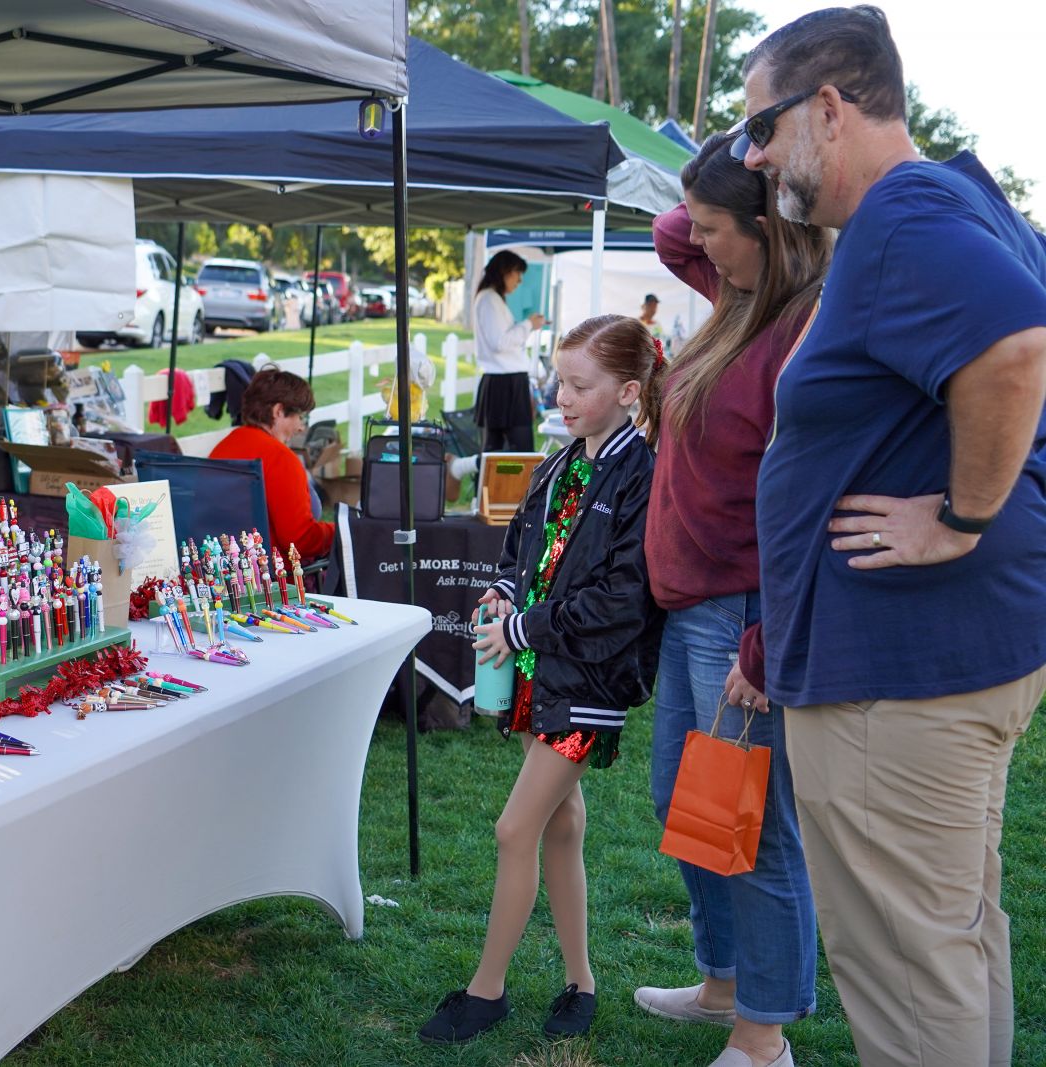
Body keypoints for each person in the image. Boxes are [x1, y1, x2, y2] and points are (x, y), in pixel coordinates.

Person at [737, 8, 1046, 1065]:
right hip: (936, 661)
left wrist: (960, 515)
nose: (753, 155)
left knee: (913, 973)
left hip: (897, 674)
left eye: (761, 127)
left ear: (828, 107)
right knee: (950, 941)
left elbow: (1014, 350)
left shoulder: (906, 211)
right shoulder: (955, 198)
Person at [636, 132, 832, 1067]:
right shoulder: (740, 294)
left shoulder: (799, 323)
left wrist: (765, 638)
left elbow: (805, 505)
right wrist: (735, 168)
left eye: (721, 228)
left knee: (748, 821)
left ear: (769, 230)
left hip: (742, 606)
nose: (697, 243)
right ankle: (721, 983)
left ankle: (764, 1034)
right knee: (685, 797)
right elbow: (676, 231)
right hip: (690, 603)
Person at [417, 315, 665, 1045]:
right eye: (560, 379)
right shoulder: (561, 464)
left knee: (514, 827)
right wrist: (501, 590)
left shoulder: (641, 476)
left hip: (591, 684)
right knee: (561, 825)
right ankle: (581, 983)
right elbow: (521, 540)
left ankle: (486, 990)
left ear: (627, 390)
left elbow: (625, 599)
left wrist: (520, 628)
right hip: (546, 676)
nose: (562, 395)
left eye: (580, 385)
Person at [209, 365, 333, 561]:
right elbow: (300, 541)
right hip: (274, 581)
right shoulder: (280, 458)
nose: (301, 427)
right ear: (279, 411)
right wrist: (342, 531)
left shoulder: (221, 449)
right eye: (300, 417)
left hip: (225, 571)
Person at [472, 250, 546, 452]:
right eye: (517, 273)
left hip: (507, 381)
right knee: (510, 451)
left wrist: (527, 325)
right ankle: (498, 484)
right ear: (504, 271)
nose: (520, 280)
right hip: (503, 382)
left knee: (509, 450)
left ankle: (508, 484)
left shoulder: (493, 298)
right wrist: (528, 324)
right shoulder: (489, 299)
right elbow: (500, 343)